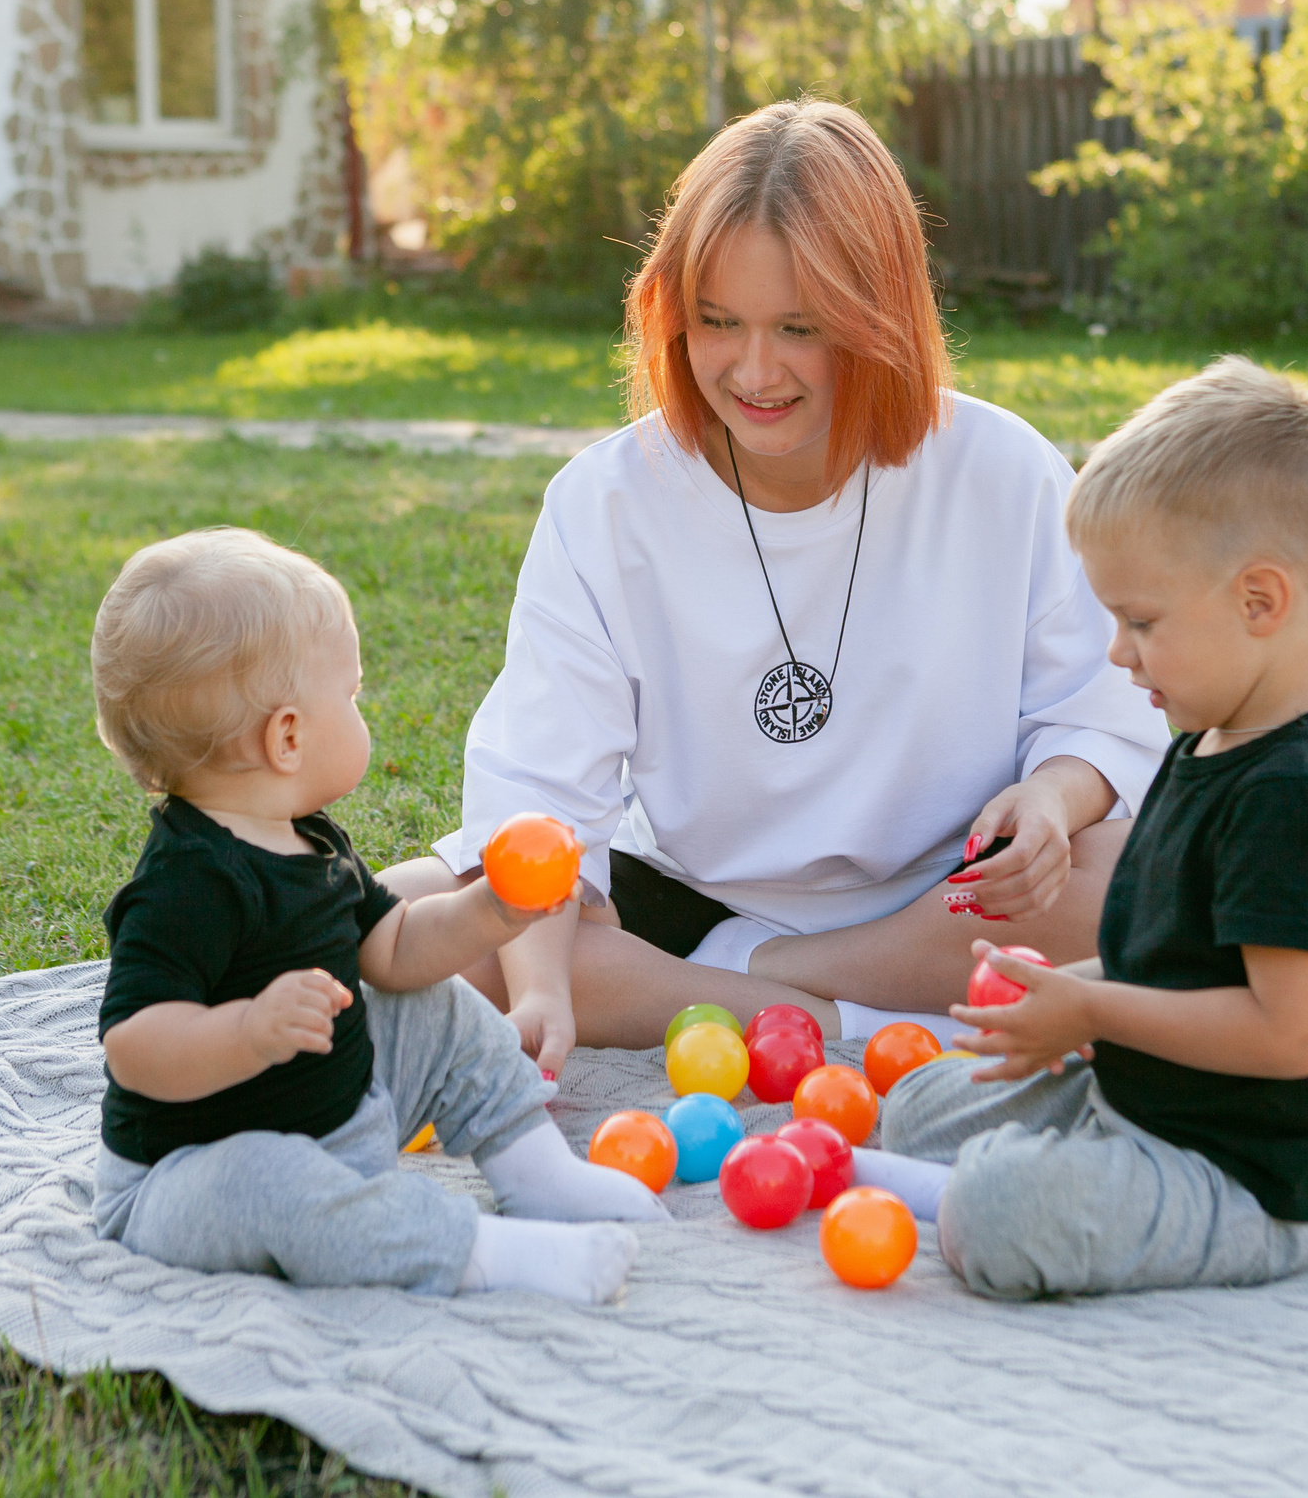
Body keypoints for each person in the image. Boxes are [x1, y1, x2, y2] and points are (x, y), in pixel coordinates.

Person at [379, 101, 1169, 1069]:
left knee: (1143, 877)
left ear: (878, 317)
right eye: (718, 323)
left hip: (948, 895)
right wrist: (543, 982)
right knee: (374, 933)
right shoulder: (606, 503)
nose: (755, 372)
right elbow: (540, 793)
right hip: (690, 889)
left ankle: (759, 976)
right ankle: (843, 1020)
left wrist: (1050, 801)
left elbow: (1101, 713)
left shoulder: (1004, 471)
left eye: (799, 328)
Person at [868, 358, 1308, 1300]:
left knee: (996, 1209)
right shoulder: (1206, 738)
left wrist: (1093, 1011)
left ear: (1260, 601)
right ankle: (1036, 1167)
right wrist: (1057, 994)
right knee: (917, 1108)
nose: (1117, 652)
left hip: (1248, 1172)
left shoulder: (1295, 798)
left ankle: (1012, 1192)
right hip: (1142, 1089)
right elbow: (1183, 959)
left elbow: (1292, 1038)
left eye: (1140, 621)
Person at [84, 528, 667, 1306]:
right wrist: (248, 1031)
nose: (362, 710)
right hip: (191, 1176)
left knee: (440, 1004)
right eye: (351, 696)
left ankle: (538, 1172)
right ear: (287, 736)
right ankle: (479, 1253)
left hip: (338, 1115)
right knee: (274, 1184)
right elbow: (134, 1047)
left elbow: (394, 949)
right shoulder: (185, 884)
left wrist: (492, 909)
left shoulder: (310, 838)